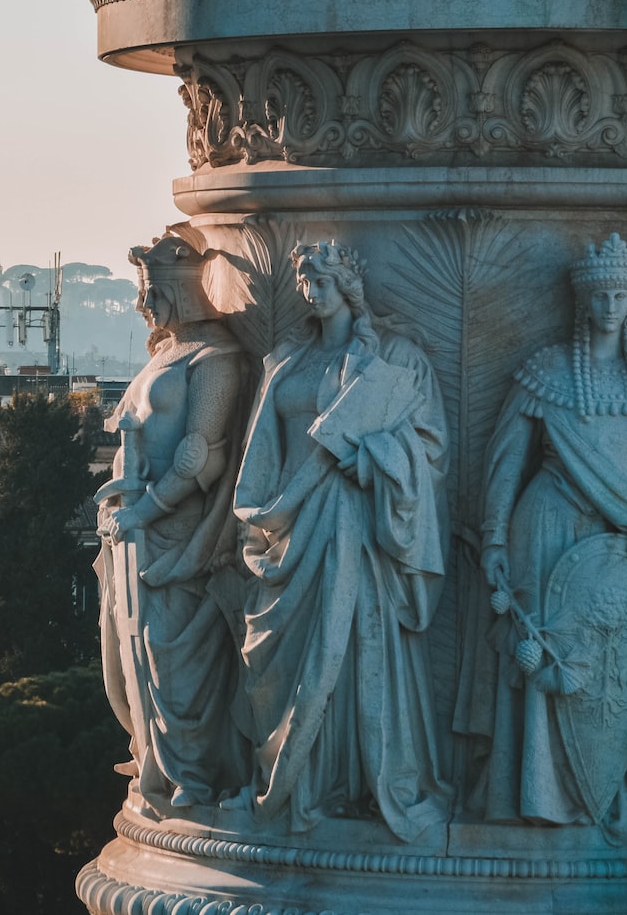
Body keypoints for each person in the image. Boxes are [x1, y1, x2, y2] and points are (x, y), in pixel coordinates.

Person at [465, 233, 627, 833]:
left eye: (621, 294)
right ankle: (541, 795)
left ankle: (615, 790)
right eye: (600, 294)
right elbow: (504, 462)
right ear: (583, 302)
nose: (611, 305)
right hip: (546, 531)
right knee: (545, 660)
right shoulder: (546, 373)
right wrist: (494, 540)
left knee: (617, 675)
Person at [230, 239, 451, 840]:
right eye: (304, 281)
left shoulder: (395, 359)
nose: (311, 292)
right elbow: (260, 454)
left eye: (321, 281)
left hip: (356, 527)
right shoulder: (286, 360)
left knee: (353, 653)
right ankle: (293, 784)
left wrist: (370, 459)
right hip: (288, 528)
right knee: (287, 662)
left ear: (349, 286)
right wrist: (265, 512)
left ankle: (347, 784)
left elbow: (429, 450)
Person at [95, 226, 250, 811]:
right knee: (123, 661)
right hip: (129, 533)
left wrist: (145, 510)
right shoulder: (168, 353)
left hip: (172, 536)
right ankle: (152, 759)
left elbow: (198, 456)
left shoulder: (217, 359)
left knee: (169, 658)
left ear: (180, 290)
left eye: (152, 291)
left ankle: (195, 778)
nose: (143, 305)